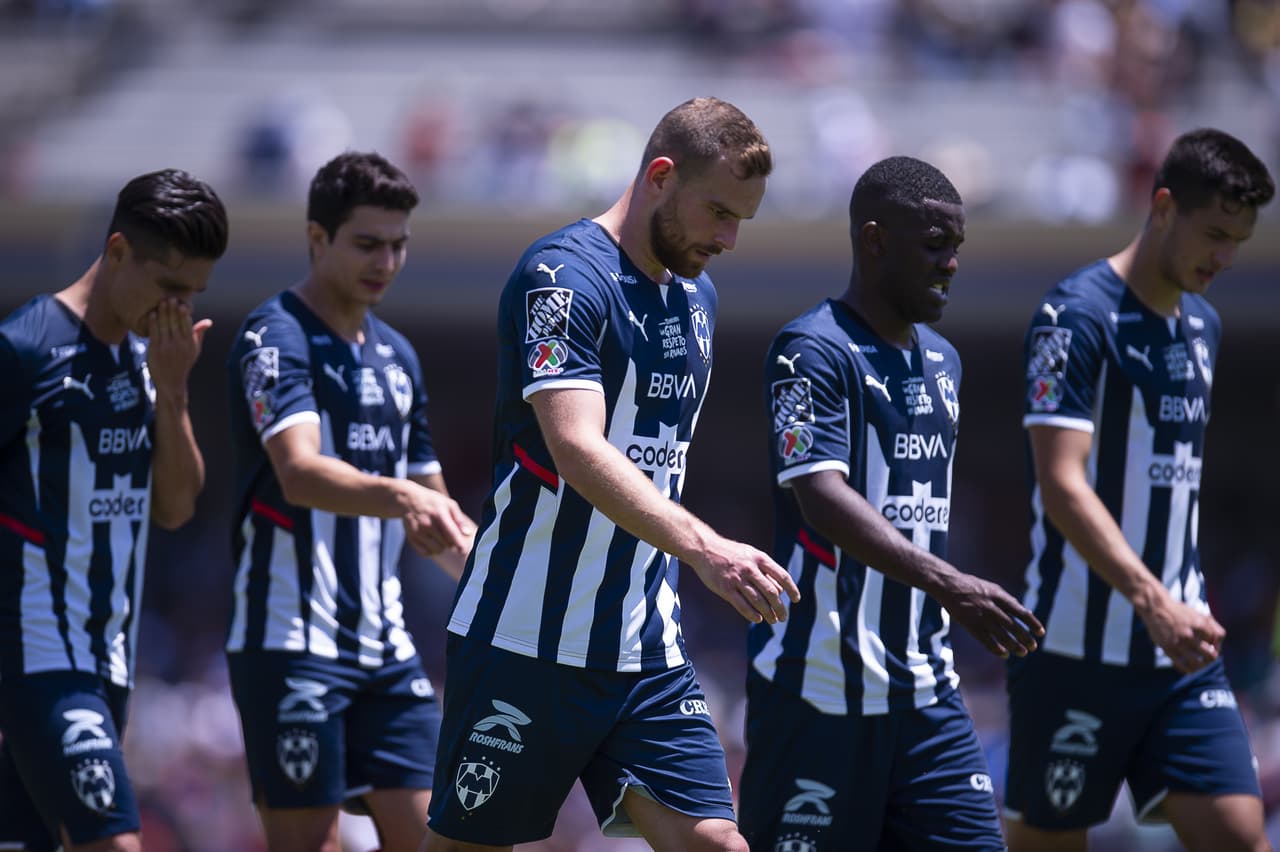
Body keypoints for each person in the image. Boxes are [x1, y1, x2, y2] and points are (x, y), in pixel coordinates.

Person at [421, 96, 800, 852]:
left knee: (721, 844)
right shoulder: (561, 275)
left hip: (642, 647)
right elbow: (577, 448)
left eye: (741, 222)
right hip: (524, 641)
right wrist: (705, 547)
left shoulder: (699, 297)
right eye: (717, 212)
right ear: (660, 176)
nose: (727, 238)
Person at [738, 155, 1044, 851]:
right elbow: (821, 496)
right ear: (874, 240)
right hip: (816, 693)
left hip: (926, 693)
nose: (952, 263)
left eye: (958, 247)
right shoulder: (810, 350)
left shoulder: (944, 363)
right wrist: (952, 585)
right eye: (935, 244)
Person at [1004, 128, 1274, 852]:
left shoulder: (1205, 327)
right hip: (1070, 650)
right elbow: (1061, 484)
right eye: (1213, 233)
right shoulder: (1077, 316)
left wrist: (1172, 608)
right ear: (1161, 208)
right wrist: (1153, 601)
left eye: (1238, 241)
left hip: (1178, 654)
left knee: (1239, 834)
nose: (1223, 258)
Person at [224, 151, 476, 852]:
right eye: (367, 244)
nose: (386, 262)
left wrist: (521, 593)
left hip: (386, 650)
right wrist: (401, 497)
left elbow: (441, 522)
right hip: (290, 645)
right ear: (316, 239)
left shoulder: (398, 358)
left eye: (398, 246)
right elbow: (300, 473)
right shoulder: (275, 336)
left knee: (442, 839)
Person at [0, 169, 227, 852]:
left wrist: (175, 392)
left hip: (111, 664)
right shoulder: (26, 349)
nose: (179, 311)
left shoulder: (146, 360)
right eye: (170, 287)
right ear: (119, 251)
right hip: (40, 656)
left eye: (194, 295)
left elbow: (177, 507)